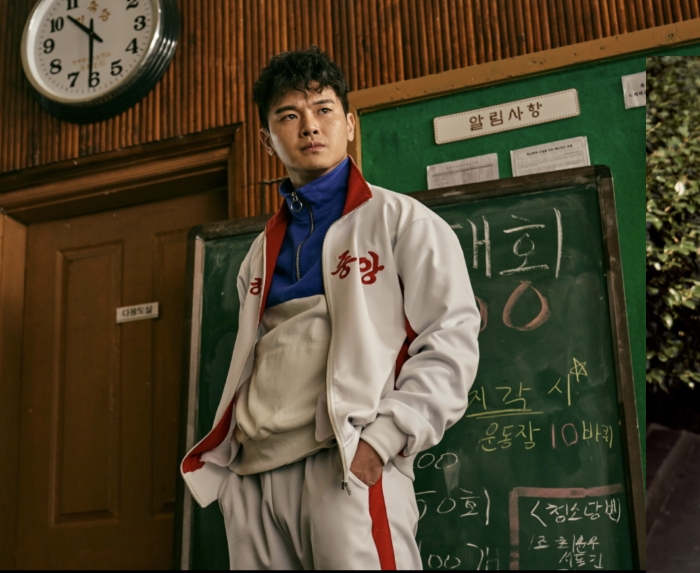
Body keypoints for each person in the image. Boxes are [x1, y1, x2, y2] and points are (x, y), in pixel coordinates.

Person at [180, 46, 480, 570]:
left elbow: (450, 339)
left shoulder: (403, 222)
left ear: (350, 123)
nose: (310, 127)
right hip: (253, 478)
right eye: (288, 116)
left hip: (345, 465)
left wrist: (380, 442)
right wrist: (233, 482)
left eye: (323, 109)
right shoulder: (257, 254)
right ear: (267, 139)